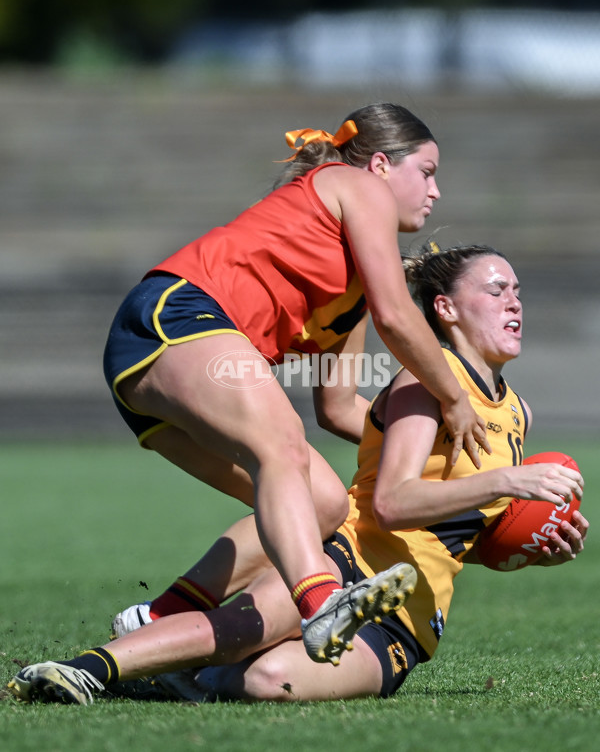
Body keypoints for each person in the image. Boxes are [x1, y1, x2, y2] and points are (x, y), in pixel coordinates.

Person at [8, 244, 587, 705]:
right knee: (244, 628)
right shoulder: (426, 383)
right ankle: (88, 669)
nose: (515, 302)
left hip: (410, 620)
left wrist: (525, 545)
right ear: (446, 308)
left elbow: (456, 532)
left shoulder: (518, 413)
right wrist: (510, 483)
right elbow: (394, 503)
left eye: (517, 291)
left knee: (269, 681)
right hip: (351, 563)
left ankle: (182, 666)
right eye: (496, 290)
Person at [96, 102, 491, 662]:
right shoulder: (356, 185)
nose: (436, 190)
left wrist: (431, 449)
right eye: (426, 172)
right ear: (381, 165)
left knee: (324, 502)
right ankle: (322, 601)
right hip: (173, 316)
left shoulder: (348, 295)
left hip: (156, 373)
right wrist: (455, 399)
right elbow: (398, 317)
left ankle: (159, 618)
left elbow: (338, 406)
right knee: (281, 443)